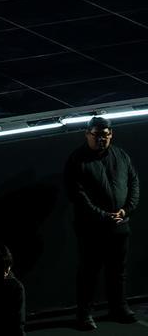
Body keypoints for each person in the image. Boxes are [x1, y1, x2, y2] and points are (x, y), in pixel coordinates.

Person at [65, 116, 140, 331]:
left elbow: (134, 182)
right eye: (97, 135)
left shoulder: (121, 155)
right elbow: (78, 196)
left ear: (111, 135)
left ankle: (119, 308)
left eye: (106, 135)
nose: (102, 139)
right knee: (89, 271)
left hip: (120, 225)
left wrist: (126, 210)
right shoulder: (77, 161)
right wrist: (103, 215)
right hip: (91, 229)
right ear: (87, 134)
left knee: (118, 271)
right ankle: (84, 314)